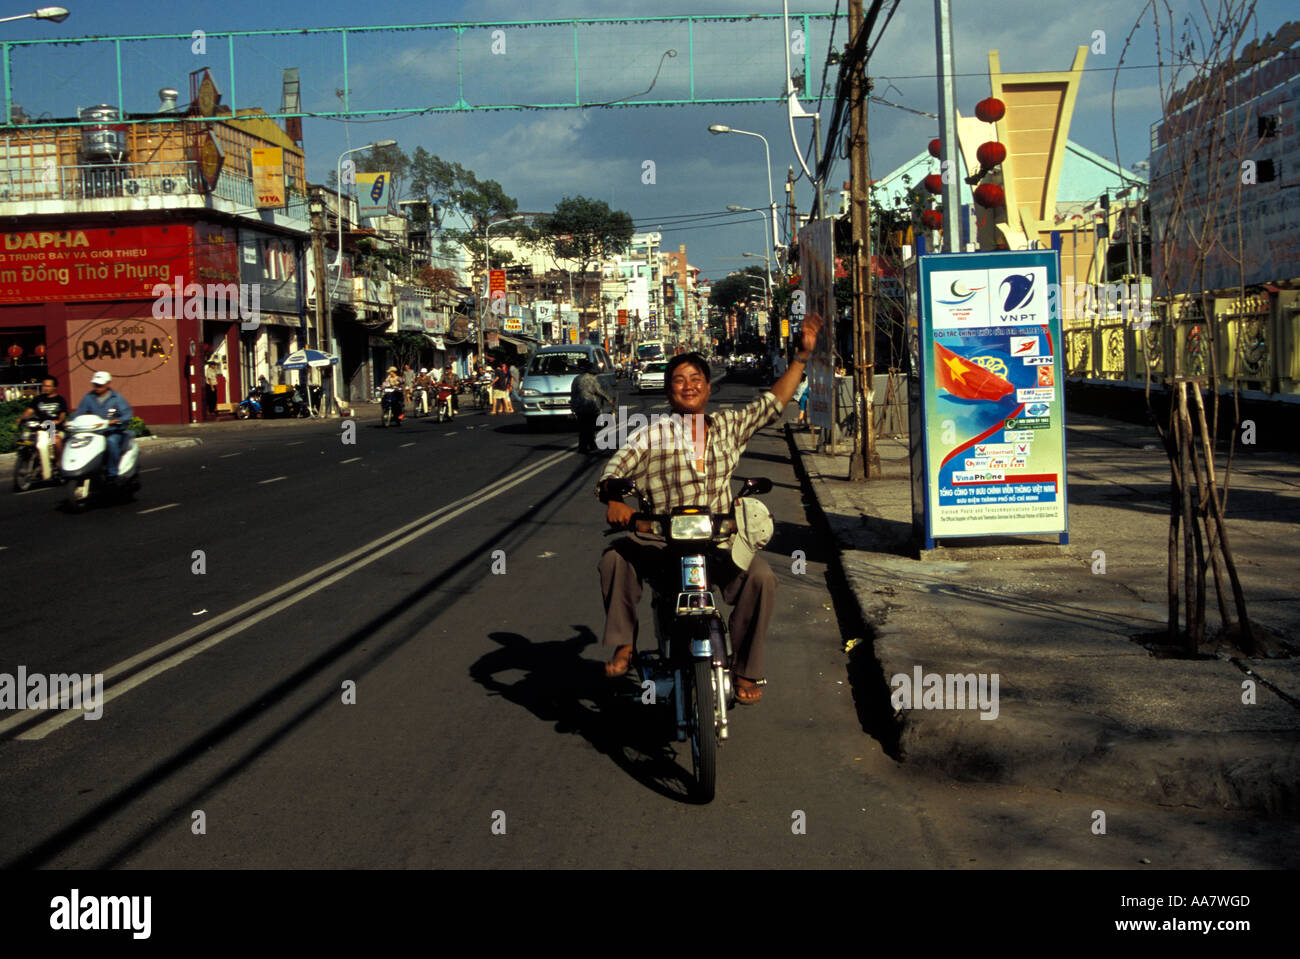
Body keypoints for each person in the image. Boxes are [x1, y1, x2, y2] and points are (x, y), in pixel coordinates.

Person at [596, 313, 824, 704]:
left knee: (763, 578)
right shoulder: (650, 434)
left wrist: (801, 357)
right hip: (662, 545)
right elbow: (614, 471)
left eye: (696, 379)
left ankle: (746, 671)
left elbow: (773, 403)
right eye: (680, 380)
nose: (689, 386)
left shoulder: (728, 425)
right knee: (615, 559)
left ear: (707, 387)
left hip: (719, 542)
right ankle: (623, 645)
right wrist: (615, 499)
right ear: (669, 392)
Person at [72, 371, 133, 484]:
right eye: (95, 384)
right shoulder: (88, 397)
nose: (97, 387)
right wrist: (71, 422)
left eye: (100, 385)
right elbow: (79, 413)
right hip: (94, 432)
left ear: (108, 383)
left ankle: (112, 473)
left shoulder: (117, 398)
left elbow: (127, 414)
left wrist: (117, 421)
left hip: (112, 431)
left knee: (111, 442)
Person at [15, 375, 69, 462]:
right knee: (27, 440)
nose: (45, 388)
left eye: (48, 386)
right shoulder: (38, 399)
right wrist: (21, 418)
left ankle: (59, 462)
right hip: (40, 428)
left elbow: (63, 414)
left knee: (56, 440)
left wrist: (58, 421)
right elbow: (29, 411)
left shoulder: (60, 400)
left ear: (54, 387)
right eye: (44, 385)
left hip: (54, 428)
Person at [570, 359, 614, 454]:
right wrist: (608, 399)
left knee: (583, 426)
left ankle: (588, 445)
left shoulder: (576, 379)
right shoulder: (591, 379)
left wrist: (572, 408)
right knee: (590, 426)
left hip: (578, 406)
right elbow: (598, 391)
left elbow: (573, 394)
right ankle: (585, 446)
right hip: (590, 405)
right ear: (592, 372)